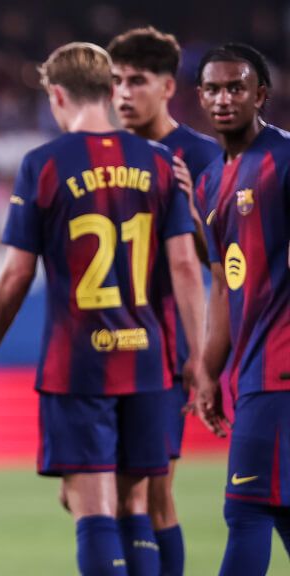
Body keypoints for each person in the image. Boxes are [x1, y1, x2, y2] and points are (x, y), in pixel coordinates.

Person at [0, 43, 207, 575]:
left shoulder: (44, 165)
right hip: (148, 361)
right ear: (110, 90)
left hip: (78, 365)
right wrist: (199, 360)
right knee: (137, 504)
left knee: (91, 506)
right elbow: (187, 268)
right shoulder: (162, 162)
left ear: (56, 95)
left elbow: (13, 279)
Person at [103, 27, 223, 575]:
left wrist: (191, 211)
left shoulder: (199, 157)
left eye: (136, 81)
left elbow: (227, 258)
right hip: (105, 346)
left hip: (165, 346)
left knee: (153, 492)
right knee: (96, 495)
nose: (123, 93)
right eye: (115, 82)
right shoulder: (104, 154)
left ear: (168, 87)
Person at [192, 43, 290, 576]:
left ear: (261, 96)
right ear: (200, 96)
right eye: (213, 88)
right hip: (252, 373)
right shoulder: (212, 182)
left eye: (236, 87)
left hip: (282, 372)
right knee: (280, 511)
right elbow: (223, 286)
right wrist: (210, 370)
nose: (224, 98)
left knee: (246, 508)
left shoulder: (284, 161)